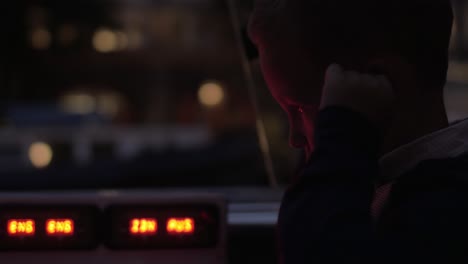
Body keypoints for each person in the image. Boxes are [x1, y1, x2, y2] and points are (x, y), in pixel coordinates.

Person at [248, 0, 468, 263]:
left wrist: (342, 136)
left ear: (379, 80)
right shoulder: (365, 182)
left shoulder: (444, 211)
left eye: (300, 108)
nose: (294, 138)